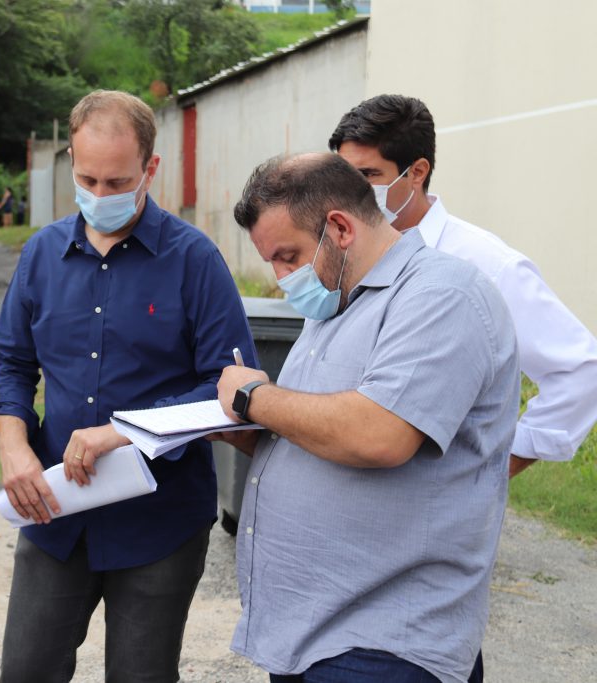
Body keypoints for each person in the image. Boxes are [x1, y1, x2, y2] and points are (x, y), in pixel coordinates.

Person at [0, 89, 256, 682]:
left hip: (160, 522)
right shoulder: (41, 254)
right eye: (87, 180)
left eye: (117, 182)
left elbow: (231, 388)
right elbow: (10, 363)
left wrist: (122, 432)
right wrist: (13, 445)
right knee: (25, 672)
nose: (100, 195)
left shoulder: (195, 261)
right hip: (56, 513)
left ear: (150, 168)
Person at [217, 153, 518, 683]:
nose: (282, 278)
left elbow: (380, 434)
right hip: (312, 632)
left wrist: (252, 398)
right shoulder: (336, 304)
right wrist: (245, 432)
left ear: (339, 228)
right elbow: (320, 429)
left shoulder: (442, 295)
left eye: (288, 256)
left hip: (386, 644)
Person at [329, 94, 597, 477]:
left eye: (368, 176)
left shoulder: (486, 264)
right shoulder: (343, 253)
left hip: (431, 501)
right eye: (344, 176)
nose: (351, 191)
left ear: (417, 172)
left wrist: (494, 466)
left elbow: (581, 371)